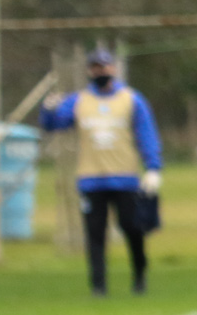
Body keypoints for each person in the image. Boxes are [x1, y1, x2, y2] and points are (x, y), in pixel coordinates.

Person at [41, 48, 162, 296]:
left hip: (125, 178)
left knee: (132, 228)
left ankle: (139, 276)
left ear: (114, 69)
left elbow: (146, 134)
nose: (101, 71)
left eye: (104, 67)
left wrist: (153, 167)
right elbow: (54, 125)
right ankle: (98, 287)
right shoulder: (79, 101)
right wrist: (49, 109)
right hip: (91, 179)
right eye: (96, 67)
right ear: (89, 71)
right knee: (95, 235)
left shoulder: (131, 99)